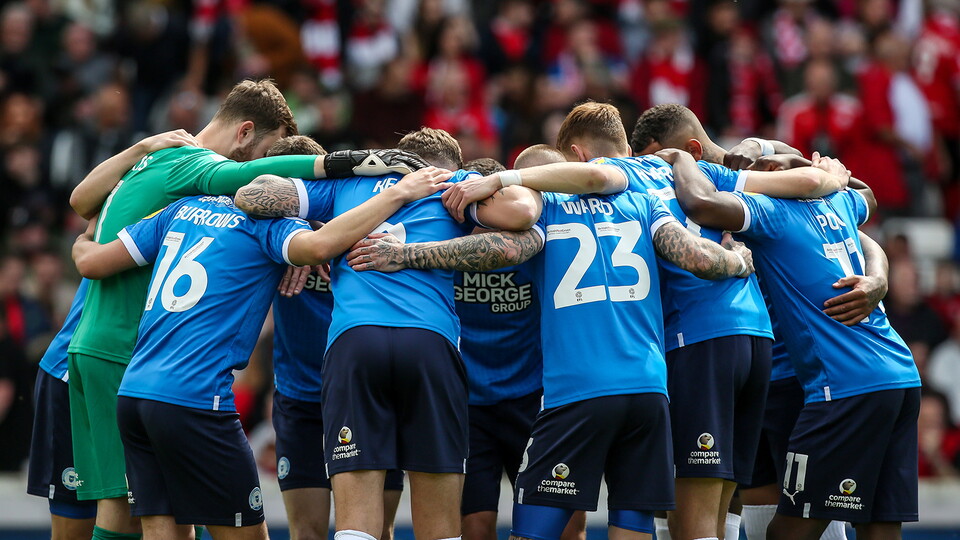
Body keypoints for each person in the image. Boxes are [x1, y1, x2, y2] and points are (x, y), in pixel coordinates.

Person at [442, 102, 846, 540]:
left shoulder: (607, 190)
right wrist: (785, 159)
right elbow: (811, 182)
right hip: (749, 337)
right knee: (726, 497)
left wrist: (503, 180)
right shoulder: (689, 171)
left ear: (576, 157)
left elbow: (581, 189)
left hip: (685, 342)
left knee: (691, 514)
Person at [64, 78, 424, 540]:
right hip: (195, 397)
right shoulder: (262, 228)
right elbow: (315, 246)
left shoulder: (184, 206)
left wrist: (81, 243)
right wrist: (390, 192)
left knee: (160, 526)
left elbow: (93, 259)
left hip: (134, 391)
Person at [348, 154, 757, 540]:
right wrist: (737, 259)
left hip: (577, 394)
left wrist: (407, 254)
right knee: (632, 526)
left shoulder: (549, 209)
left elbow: (503, 248)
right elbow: (697, 258)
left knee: (532, 531)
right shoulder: (643, 200)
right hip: (648, 391)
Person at [234, 127, 540, 540]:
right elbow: (523, 213)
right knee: (439, 529)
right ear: (449, 164)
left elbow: (251, 194)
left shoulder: (350, 183)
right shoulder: (454, 186)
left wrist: (352, 174)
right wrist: (478, 186)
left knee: (356, 526)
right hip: (430, 345)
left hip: (355, 345)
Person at [630, 103, 889, 540]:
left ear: (688, 149)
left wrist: (878, 279)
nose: (654, 170)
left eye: (661, 158)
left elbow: (857, 209)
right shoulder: (671, 192)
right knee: (741, 501)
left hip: (798, 375)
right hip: (748, 357)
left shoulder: (750, 181)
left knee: (808, 514)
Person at [265, 136, 405, 540]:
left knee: (378, 529)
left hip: (366, 392)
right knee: (306, 531)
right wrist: (294, 248)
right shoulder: (270, 237)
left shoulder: (364, 219)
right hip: (302, 399)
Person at [26, 279, 97, 540]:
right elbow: (88, 252)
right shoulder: (146, 238)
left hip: (134, 382)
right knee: (76, 526)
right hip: (72, 378)